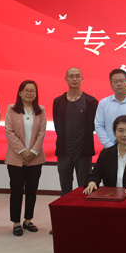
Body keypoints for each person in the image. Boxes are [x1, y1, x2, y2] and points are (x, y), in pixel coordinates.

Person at [4, 80, 47, 236]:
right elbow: (9, 131)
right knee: (16, 191)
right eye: (26, 90)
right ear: (20, 93)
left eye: (32, 91)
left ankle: (28, 220)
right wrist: (23, 151)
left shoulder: (40, 110)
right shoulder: (11, 109)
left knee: (32, 191)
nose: (29, 93)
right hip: (16, 158)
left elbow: (42, 132)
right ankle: (16, 222)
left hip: (35, 158)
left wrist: (33, 152)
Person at [53, 67, 98, 196]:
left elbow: (93, 126)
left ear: (82, 79)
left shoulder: (91, 101)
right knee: (65, 189)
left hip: (83, 152)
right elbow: (57, 125)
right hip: (64, 152)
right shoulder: (58, 101)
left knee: (84, 188)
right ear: (66, 79)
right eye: (71, 76)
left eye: (77, 76)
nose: (74, 79)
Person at [83, 115, 126, 196]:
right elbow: (95, 174)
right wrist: (92, 182)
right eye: (120, 131)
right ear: (114, 132)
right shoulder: (106, 154)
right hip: (110, 196)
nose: (125, 134)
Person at [95, 69, 126, 148]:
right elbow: (99, 125)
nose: (119, 84)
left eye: (122, 81)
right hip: (108, 148)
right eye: (115, 81)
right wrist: (109, 146)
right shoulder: (104, 103)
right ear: (111, 84)